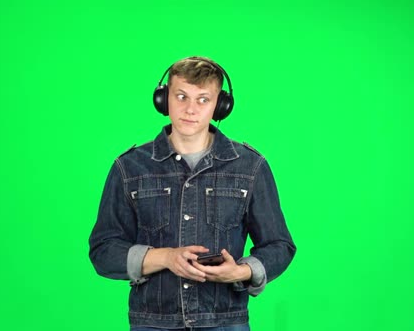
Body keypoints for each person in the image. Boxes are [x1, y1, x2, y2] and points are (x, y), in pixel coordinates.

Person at [89, 56, 296, 330]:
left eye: (203, 99)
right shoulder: (129, 167)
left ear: (220, 106)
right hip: (153, 323)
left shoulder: (250, 167)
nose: (190, 109)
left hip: (225, 323)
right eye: (181, 96)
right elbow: (104, 251)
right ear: (164, 100)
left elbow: (279, 245)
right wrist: (165, 257)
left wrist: (241, 272)